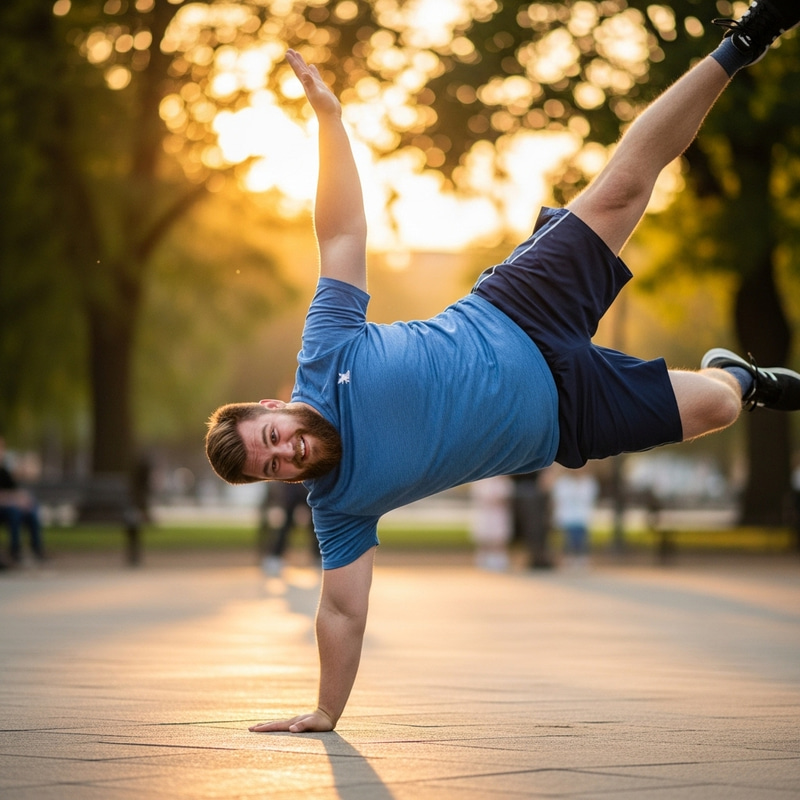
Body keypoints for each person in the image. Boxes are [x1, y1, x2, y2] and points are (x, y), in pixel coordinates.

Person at [205, 1, 800, 733]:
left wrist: (329, 122)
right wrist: (327, 710)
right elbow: (340, 609)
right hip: (564, 415)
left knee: (623, 185)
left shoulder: (324, 354)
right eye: (277, 469)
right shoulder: (340, 507)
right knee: (719, 410)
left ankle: (746, 39)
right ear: (283, 483)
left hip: (516, 308)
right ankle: (742, 376)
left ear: (272, 406)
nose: (288, 453)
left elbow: (341, 232)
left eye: (274, 437)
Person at [0, 437, 46, 565]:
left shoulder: (4, 472)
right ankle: (15, 551)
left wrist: (23, 499)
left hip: (7, 506)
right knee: (14, 512)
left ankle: (37, 550)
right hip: (5, 509)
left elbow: (13, 491)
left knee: (31, 511)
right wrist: (12, 499)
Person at [550, 467, 600, 568]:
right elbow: (558, 499)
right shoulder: (563, 482)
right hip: (567, 515)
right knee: (568, 539)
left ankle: (581, 558)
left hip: (582, 515)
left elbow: (590, 497)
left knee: (581, 538)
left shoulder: (588, 481)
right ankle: (568, 558)